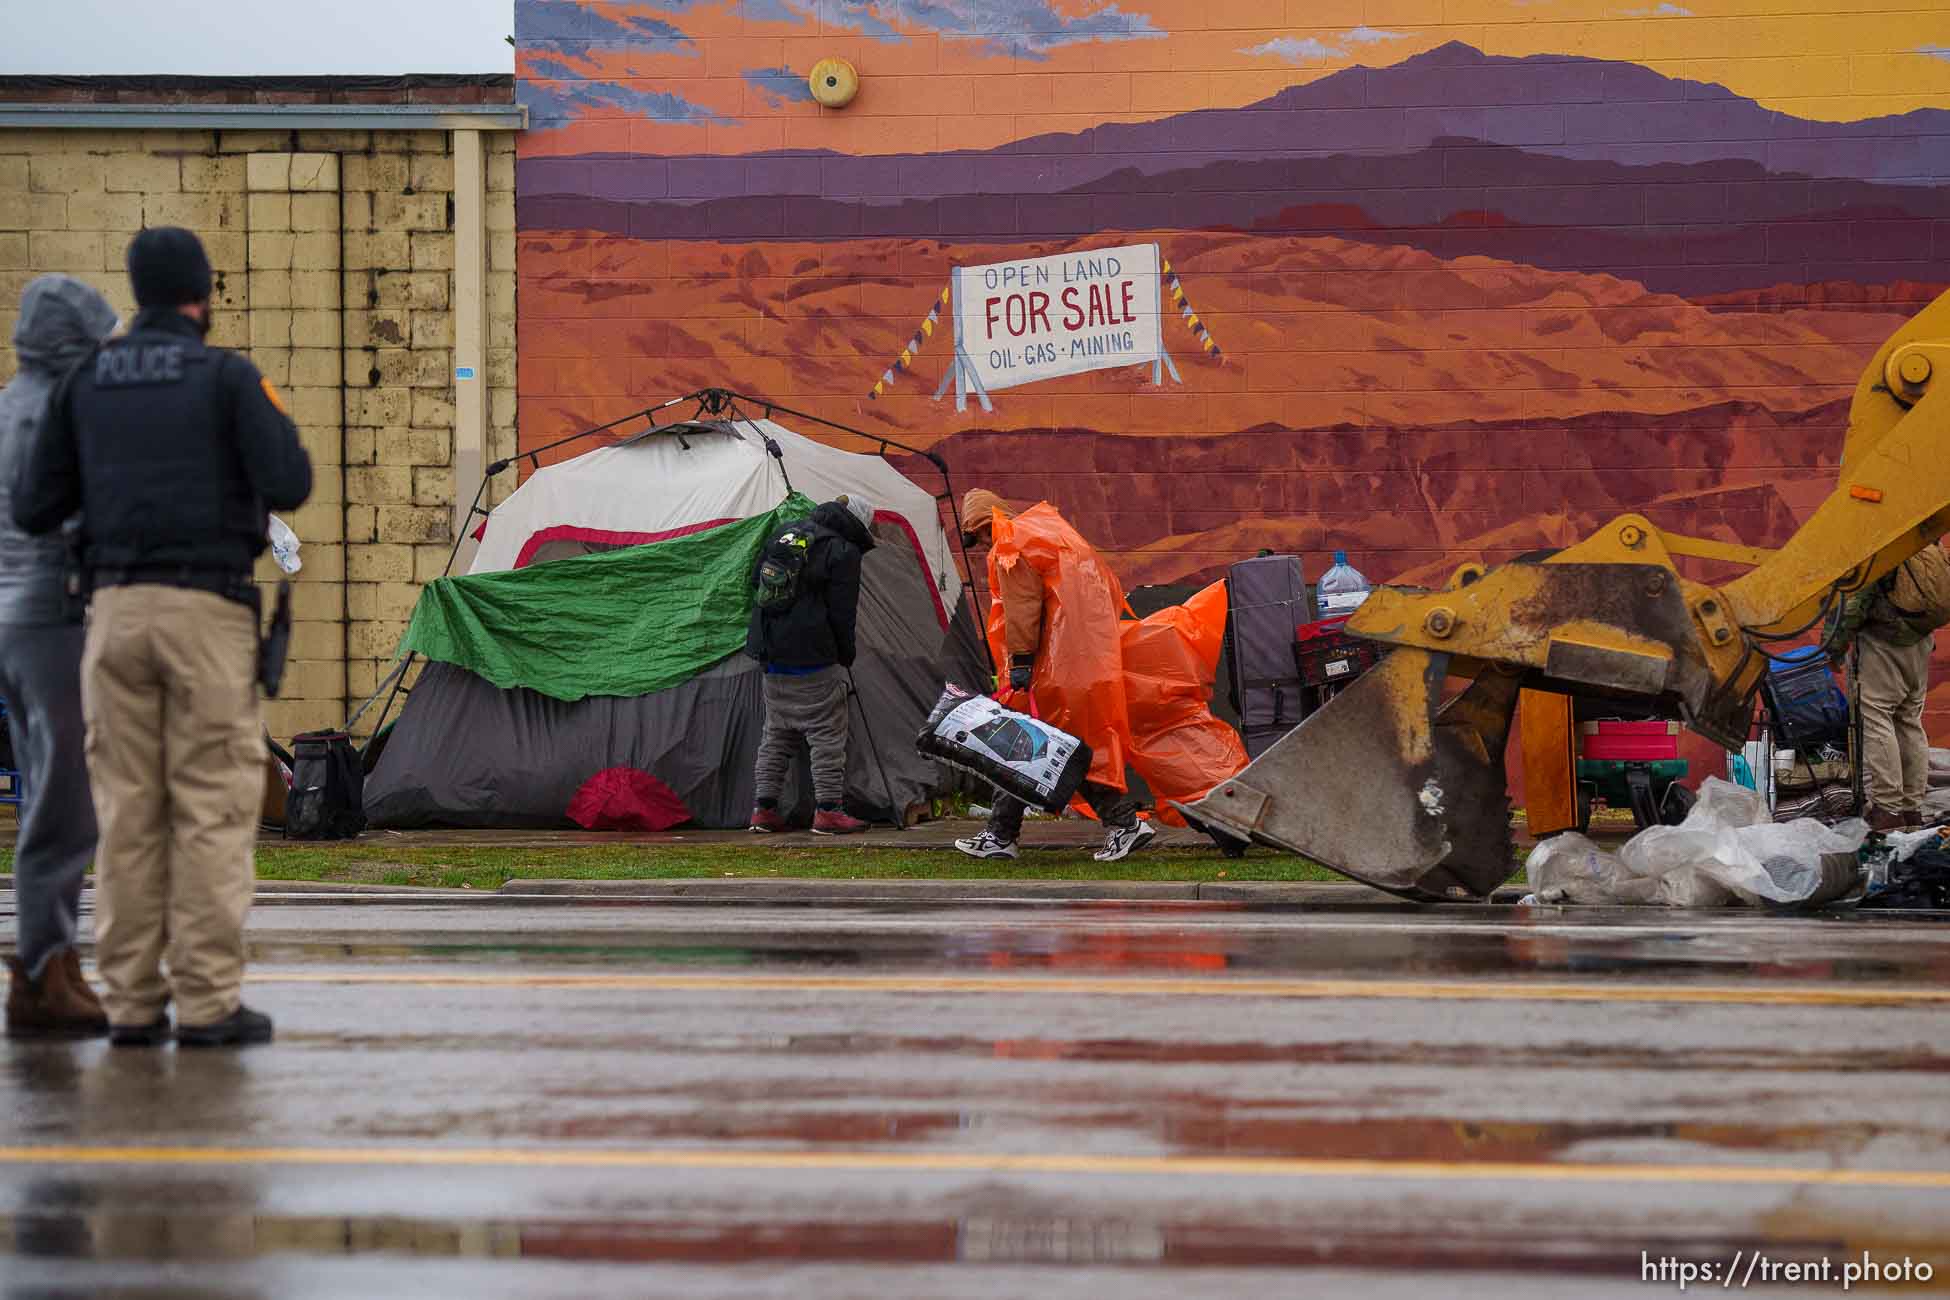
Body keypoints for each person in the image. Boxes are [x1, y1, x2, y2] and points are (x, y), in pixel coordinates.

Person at [12, 227, 312, 1048]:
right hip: (206, 615)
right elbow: (292, 480)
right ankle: (208, 1002)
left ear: (136, 294)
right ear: (203, 295)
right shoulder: (229, 378)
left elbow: (35, 506)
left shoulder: (84, 383)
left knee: (128, 812)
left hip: (110, 617)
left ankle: (134, 1003)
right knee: (212, 807)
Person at [0, 275, 118, 1038]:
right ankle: (44, 963)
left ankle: (55, 958)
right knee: (65, 796)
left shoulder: (9, 402)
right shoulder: (61, 411)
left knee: (46, 780)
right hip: (53, 611)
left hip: (14, 618)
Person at [954, 488, 1158, 863]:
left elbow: (1021, 609)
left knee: (1039, 749)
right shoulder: (1052, 531)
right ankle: (1001, 833)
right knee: (1036, 749)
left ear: (986, 525)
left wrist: (1019, 662)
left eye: (981, 538)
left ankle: (1122, 823)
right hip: (1087, 662)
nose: (983, 547)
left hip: (1052, 668)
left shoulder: (1011, 546)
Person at [745, 494, 874, 835]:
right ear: (857, 524)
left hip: (770, 653)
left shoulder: (786, 533)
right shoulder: (842, 551)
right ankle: (828, 811)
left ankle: (764, 809)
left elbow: (754, 581)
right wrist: (845, 654)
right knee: (827, 736)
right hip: (813, 657)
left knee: (776, 733)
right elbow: (843, 612)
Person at [1827, 541, 1950, 831]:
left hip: (1885, 642)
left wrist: (1833, 646)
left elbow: (1856, 600)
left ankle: (1888, 808)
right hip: (1920, 641)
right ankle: (1911, 808)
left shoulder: (1880, 539)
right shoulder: (1920, 536)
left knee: (1877, 717)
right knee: (1908, 720)